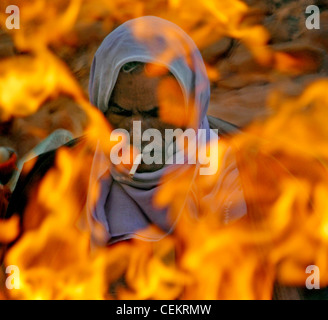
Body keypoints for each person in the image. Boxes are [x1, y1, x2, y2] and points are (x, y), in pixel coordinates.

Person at [5, 16, 247, 247]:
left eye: (155, 113)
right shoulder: (55, 181)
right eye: (121, 112)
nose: (138, 130)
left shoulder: (248, 177)